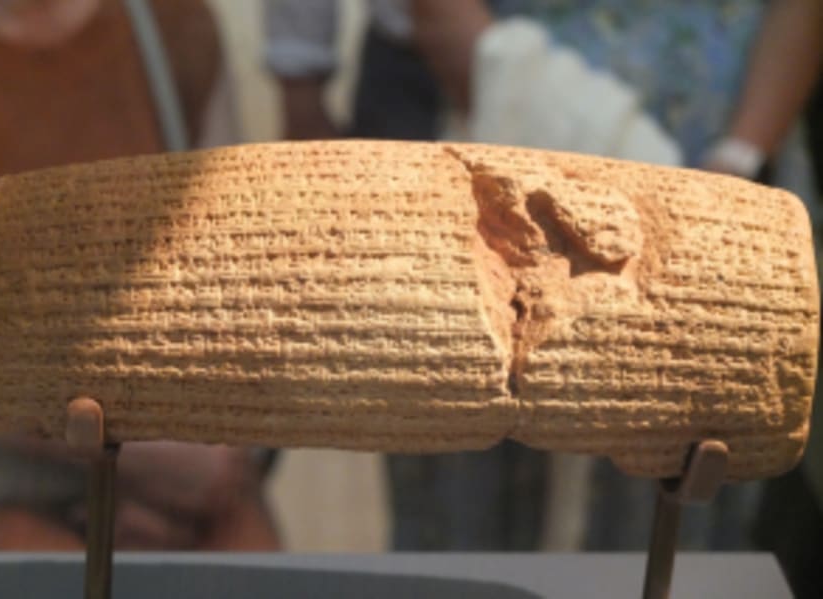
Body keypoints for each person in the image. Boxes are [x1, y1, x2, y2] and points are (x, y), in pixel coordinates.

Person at [265, 0, 823, 552]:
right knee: (469, 472)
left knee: (676, 467)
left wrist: (740, 155)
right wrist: (497, 70)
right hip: (488, 112)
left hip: (723, 146)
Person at [0, 0, 277, 593]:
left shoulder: (171, 26)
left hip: (193, 495)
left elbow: (245, 297)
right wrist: (130, 452)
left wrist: (209, 455)